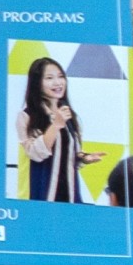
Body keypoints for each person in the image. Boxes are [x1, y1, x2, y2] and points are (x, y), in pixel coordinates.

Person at [19, 57, 82, 200]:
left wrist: (83, 157)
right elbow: (35, 153)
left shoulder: (70, 115)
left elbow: (69, 153)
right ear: (37, 83)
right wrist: (56, 125)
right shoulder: (26, 117)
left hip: (71, 195)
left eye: (61, 77)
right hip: (43, 194)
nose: (57, 82)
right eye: (49, 78)